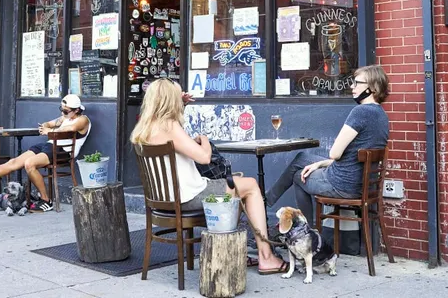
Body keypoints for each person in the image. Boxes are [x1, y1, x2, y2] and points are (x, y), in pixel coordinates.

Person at [130, 79, 287, 275]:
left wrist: (183, 105)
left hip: (165, 200)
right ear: (169, 101)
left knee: (237, 189)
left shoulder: (145, 128)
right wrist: (203, 139)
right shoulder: (169, 125)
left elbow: (177, 139)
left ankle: (231, 251)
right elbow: (204, 157)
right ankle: (266, 257)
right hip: (189, 197)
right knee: (251, 186)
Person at [265, 64, 390, 223]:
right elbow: (351, 157)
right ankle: (267, 201)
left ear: (373, 88)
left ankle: (308, 231)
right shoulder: (382, 115)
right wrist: (319, 164)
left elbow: (335, 154)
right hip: (364, 185)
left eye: (357, 83)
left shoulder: (361, 112)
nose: (352, 86)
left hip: (343, 184)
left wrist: (324, 164)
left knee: (298, 176)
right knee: (302, 158)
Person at [0, 95, 90, 213]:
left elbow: (69, 129)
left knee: (29, 164)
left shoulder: (83, 120)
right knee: (13, 162)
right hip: (49, 146)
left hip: (63, 151)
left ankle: (46, 200)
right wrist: (45, 127)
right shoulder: (64, 118)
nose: (62, 113)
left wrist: (49, 131)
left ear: (77, 110)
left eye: (66, 111)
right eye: (61, 109)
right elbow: (49, 123)